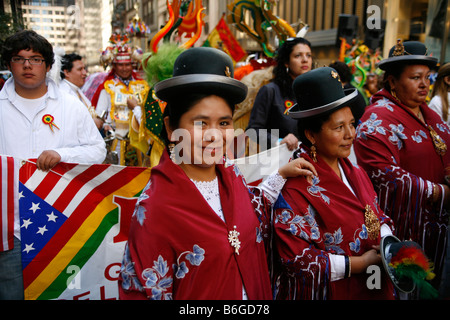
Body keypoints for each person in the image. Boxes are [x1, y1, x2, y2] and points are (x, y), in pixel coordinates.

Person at [118, 47, 317, 300]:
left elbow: (249, 211)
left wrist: (281, 174)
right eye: (201, 123)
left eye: (224, 123)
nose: (214, 135)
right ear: (171, 128)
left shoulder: (230, 171)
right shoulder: (155, 209)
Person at [272, 67, 396, 300]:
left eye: (352, 123)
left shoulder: (354, 171)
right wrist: (358, 264)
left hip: (372, 284)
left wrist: (386, 241)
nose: (351, 134)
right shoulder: (296, 188)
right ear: (311, 135)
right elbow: (297, 259)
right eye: (339, 127)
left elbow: (377, 215)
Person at [0, 30, 106, 300]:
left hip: (61, 224)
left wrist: (62, 154)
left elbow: (97, 150)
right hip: (9, 230)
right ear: (9, 64)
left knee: (62, 293)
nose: (27, 65)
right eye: (19, 58)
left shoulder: (70, 106)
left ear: (47, 65)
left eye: (35, 59)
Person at [354, 40, 450, 293]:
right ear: (393, 82)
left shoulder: (429, 114)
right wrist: (440, 192)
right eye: (415, 77)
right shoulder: (377, 119)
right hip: (404, 227)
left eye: (427, 77)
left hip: (439, 228)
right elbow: (383, 172)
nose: (424, 84)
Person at [91, 34, 149, 166]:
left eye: (127, 64)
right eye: (120, 65)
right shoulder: (108, 86)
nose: (124, 68)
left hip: (140, 139)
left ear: (132, 64)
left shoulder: (142, 85)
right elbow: (100, 115)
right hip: (117, 139)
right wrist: (102, 123)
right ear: (114, 66)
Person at [246, 37, 313, 151]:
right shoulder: (270, 91)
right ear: (286, 62)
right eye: (298, 55)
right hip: (278, 162)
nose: (305, 60)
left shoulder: (313, 92)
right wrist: (279, 141)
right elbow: (253, 130)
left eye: (308, 55)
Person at [59, 53, 103, 129]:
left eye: (84, 69)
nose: (84, 73)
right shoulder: (63, 93)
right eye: (80, 69)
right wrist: (93, 123)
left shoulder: (76, 89)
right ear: (66, 72)